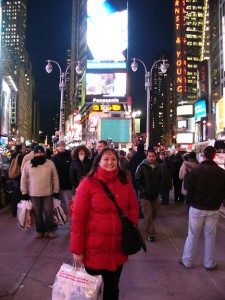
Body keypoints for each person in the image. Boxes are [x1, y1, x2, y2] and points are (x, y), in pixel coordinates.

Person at [70, 147, 139, 300]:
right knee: (91, 290)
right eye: (106, 159)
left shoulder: (124, 180)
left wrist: (130, 228)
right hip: (93, 249)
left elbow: (134, 206)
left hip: (117, 247)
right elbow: (78, 219)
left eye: (113, 159)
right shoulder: (87, 184)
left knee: (112, 288)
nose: (110, 162)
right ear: (98, 161)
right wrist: (77, 250)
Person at [179, 146, 225, 270]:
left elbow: (190, 189)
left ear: (203, 155)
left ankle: (188, 260)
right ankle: (209, 263)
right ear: (214, 155)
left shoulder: (196, 171)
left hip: (197, 207)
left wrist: (189, 203)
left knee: (193, 234)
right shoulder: (221, 172)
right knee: (210, 236)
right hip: (213, 209)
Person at [20, 145, 60, 238]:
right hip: (33, 193)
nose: (39, 154)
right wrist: (24, 192)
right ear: (34, 153)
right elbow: (24, 179)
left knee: (49, 212)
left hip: (48, 193)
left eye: (41, 152)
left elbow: (55, 178)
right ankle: (40, 230)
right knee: (37, 213)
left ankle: (50, 230)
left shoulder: (50, 163)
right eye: (37, 152)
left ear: (44, 153)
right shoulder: (28, 164)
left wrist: (56, 191)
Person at [135, 149, 161, 242]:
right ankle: (151, 233)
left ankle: (148, 227)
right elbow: (137, 180)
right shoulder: (142, 166)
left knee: (155, 213)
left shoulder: (158, 167)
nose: (151, 158)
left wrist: (158, 190)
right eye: (149, 156)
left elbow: (160, 179)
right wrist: (143, 190)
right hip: (145, 196)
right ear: (147, 156)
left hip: (155, 195)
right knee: (148, 214)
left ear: (155, 157)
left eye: (153, 156)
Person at [51, 140, 72, 217]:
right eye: (59, 146)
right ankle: (62, 219)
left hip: (68, 184)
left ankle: (70, 220)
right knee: (60, 204)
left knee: (69, 203)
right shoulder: (54, 158)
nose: (60, 147)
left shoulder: (70, 156)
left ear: (64, 146)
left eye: (62, 145)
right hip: (57, 185)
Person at [128, 143, 146, 218]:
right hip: (144, 181)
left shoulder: (134, 157)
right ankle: (142, 212)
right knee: (142, 198)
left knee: (135, 198)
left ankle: (137, 212)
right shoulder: (145, 157)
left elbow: (129, 167)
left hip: (135, 180)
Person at [10, 144, 24, 217]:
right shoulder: (20, 156)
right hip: (19, 177)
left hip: (13, 176)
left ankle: (14, 212)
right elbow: (22, 166)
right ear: (21, 149)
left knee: (14, 194)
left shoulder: (12, 155)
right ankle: (19, 211)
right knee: (19, 194)